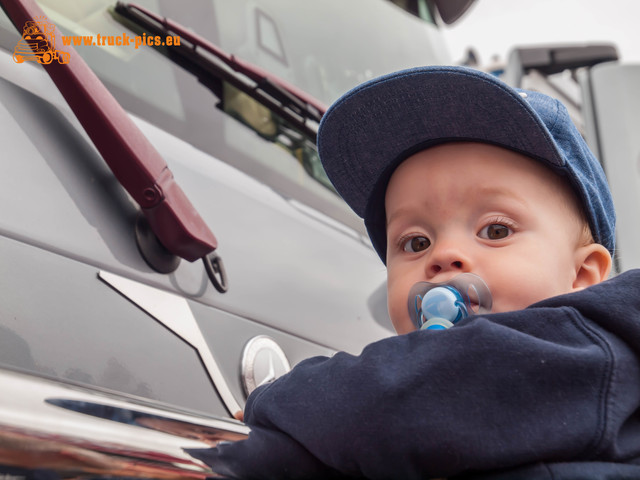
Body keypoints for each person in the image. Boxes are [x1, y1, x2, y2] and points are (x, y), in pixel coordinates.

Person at [189, 66, 640, 479]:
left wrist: (270, 407)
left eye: (496, 229)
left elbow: (406, 399)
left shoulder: (592, 354)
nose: (443, 254)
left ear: (582, 276)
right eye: (416, 242)